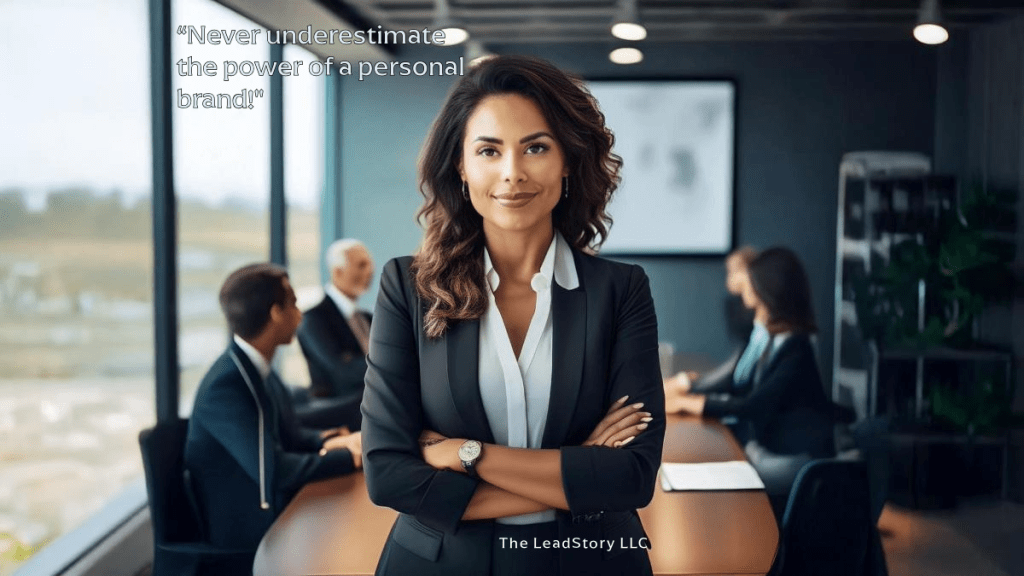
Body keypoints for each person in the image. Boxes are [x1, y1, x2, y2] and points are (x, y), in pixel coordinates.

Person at [361, 55, 665, 576]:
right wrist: (579, 478)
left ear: (567, 159)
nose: (512, 173)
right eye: (488, 150)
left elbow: (632, 477)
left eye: (536, 147)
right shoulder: (407, 289)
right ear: (460, 165)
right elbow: (389, 475)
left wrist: (465, 454)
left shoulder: (622, 290)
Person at [184, 263, 362, 574]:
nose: (300, 313)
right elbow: (274, 469)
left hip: (272, 504)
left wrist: (333, 439)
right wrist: (348, 457)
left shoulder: (256, 368)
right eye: (293, 302)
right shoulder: (226, 385)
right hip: (246, 525)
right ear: (276, 313)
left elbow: (289, 435)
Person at [664, 247, 836, 514]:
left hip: (793, 461)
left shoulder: (796, 347)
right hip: (769, 450)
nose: (744, 286)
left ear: (767, 290)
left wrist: (693, 404)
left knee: (712, 490)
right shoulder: (778, 339)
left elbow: (754, 404)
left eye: (751, 280)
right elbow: (740, 384)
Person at [664, 245, 761, 397]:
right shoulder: (734, 306)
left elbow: (740, 363)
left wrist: (692, 386)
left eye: (736, 271)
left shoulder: (760, 322)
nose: (730, 278)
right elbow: (740, 357)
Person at [298, 238, 375, 402]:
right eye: (362, 265)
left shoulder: (367, 318)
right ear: (337, 272)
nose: (370, 271)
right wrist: (388, 364)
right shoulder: (314, 319)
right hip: (339, 406)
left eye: (370, 265)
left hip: (369, 401)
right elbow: (341, 371)